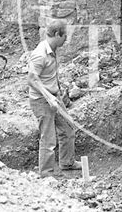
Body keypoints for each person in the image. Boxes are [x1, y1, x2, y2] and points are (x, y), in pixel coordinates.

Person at [27, 22, 81, 177]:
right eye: (65, 36)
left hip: (54, 97)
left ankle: (67, 162)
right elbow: (32, 80)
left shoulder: (52, 50)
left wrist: (57, 91)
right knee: (48, 139)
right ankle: (46, 173)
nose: (66, 40)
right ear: (57, 34)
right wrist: (49, 96)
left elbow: (48, 75)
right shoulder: (40, 54)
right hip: (41, 101)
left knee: (68, 128)